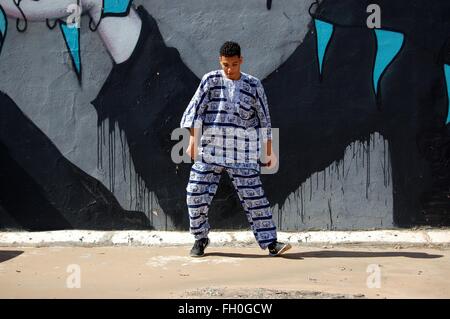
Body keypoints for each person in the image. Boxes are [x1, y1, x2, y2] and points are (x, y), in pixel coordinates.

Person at [180, 41, 292, 257]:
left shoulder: (253, 85)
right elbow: (196, 111)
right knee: (195, 194)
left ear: (241, 60)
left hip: (242, 150)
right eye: (225, 65)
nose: (229, 69)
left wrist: (268, 150)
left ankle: (271, 243)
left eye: (233, 64)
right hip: (210, 148)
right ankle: (200, 238)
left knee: (255, 197)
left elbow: (264, 119)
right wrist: (192, 142)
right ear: (220, 62)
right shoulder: (210, 81)